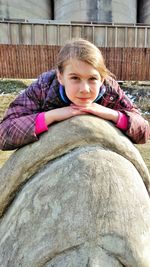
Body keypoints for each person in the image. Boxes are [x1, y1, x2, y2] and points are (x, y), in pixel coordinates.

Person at [0, 38, 149, 150]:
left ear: (102, 79)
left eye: (92, 79)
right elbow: (4, 134)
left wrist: (112, 114)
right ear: (60, 77)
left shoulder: (110, 90)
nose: (84, 89)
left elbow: (144, 132)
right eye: (75, 78)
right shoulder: (43, 88)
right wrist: (52, 115)